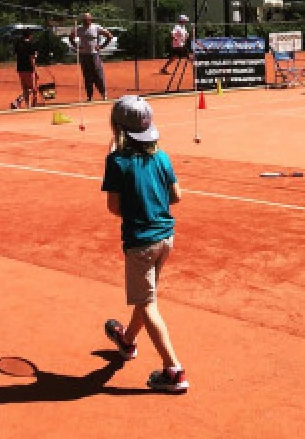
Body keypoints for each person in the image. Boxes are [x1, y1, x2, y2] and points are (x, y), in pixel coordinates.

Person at [101, 96, 189, 393]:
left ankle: (173, 370)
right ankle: (126, 341)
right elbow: (176, 196)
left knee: (148, 304)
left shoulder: (116, 161)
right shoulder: (162, 157)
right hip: (166, 239)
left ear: (117, 128)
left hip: (140, 243)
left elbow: (114, 207)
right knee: (144, 296)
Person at [69, 13, 113, 101]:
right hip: (84, 55)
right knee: (87, 75)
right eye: (84, 20)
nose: (85, 21)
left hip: (94, 54)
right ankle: (89, 96)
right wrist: (76, 46)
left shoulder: (96, 27)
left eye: (87, 19)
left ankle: (103, 94)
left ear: (90, 19)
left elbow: (109, 36)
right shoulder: (79, 29)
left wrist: (101, 46)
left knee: (98, 74)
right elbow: (71, 37)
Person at [10, 28, 39, 109]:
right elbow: (32, 59)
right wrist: (35, 70)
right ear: (29, 35)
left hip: (20, 67)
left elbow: (16, 55)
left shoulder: (18, 44)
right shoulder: (30, 44)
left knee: (25, 88)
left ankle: (27, 106)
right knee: (31, 89)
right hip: (28, 68)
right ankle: (17, 101)